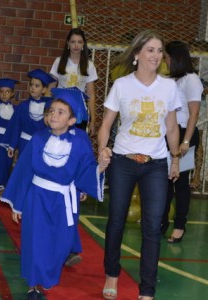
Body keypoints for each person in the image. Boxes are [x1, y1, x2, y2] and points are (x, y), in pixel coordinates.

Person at [0, 88, 110, 300]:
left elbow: (86, 168)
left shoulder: (79, 141)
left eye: (61, 112)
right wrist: (18, 204)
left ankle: (48, 274)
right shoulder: (38, 139)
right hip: (37, 198)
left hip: (63, 201)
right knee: (35, 241)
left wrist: (100, 168)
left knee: (60, 243)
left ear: (71, 120)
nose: (54, 115)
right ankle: (34, 285)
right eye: (52, 111)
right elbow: (24, 171)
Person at [97, 30, 181, 300]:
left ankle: (147, 289)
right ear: (137, 55)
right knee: (117, 220)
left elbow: (170, 128)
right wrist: (102, 149)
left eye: (159, 50)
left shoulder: (169, 87)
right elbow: (107, 124)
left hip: (155, 164)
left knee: (153, 225)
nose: (156, 55)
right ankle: (112, 273)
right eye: (150, 50)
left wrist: (175, 158)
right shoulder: (122, 85)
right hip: (123, 161)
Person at [160, 41, 203, 242]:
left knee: (181, 183)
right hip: (171, 132)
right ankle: (162, 221)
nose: (164, 61)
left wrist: (186, 142)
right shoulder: (173, 80)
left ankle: (179, 225)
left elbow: (194, 113)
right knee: (166, 180)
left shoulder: (192, 80)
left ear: (175, 58)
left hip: (185, 132)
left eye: (166, 57)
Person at [48, 27, 98, 136]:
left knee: (76, 144)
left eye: (79, 42)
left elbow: (91, 94)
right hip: (59, 110)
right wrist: (48, 112)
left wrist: (93, 120)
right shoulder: (59, 61)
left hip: (79, 112)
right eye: (73, 42)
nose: (76, 45)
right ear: (68, 43)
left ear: (83, 44)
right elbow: (50, 90)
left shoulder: (89, 65)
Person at [1, 68, 56, 158]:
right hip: (24, 144)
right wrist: (12, 146)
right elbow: (16, 126)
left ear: (44, 90)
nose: (33, 88)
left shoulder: (49, 107)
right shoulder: (23, 106)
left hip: (42, 144)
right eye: (31, 85)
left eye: (37, 86)